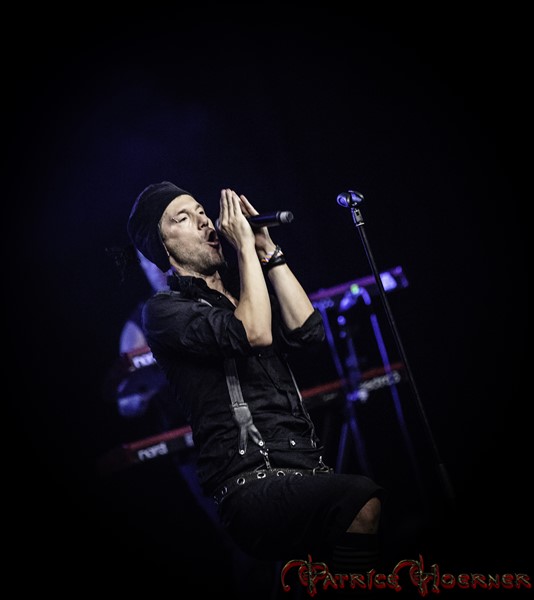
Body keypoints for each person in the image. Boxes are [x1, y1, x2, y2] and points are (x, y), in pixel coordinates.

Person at [126, 181, 385, 596]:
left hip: (304, 468)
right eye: (183, 218)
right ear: (164, 249)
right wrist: (245, 248)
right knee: (360, 501)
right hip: (250, 486)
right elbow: (253, 333)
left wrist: (267, 249)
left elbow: (307, 330)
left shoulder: (244, 287)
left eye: (201, 210)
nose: (204, 221)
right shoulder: (164, 311)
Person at [113, 248, 276, 598]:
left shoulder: (208, 296)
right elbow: (126, 402)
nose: (157, 268)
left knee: (277, 520)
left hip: (242, 425)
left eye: (161, 256)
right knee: (240, 534)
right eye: (147, 261)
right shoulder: (138, 323)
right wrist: (144, 391)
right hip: (195, 445)